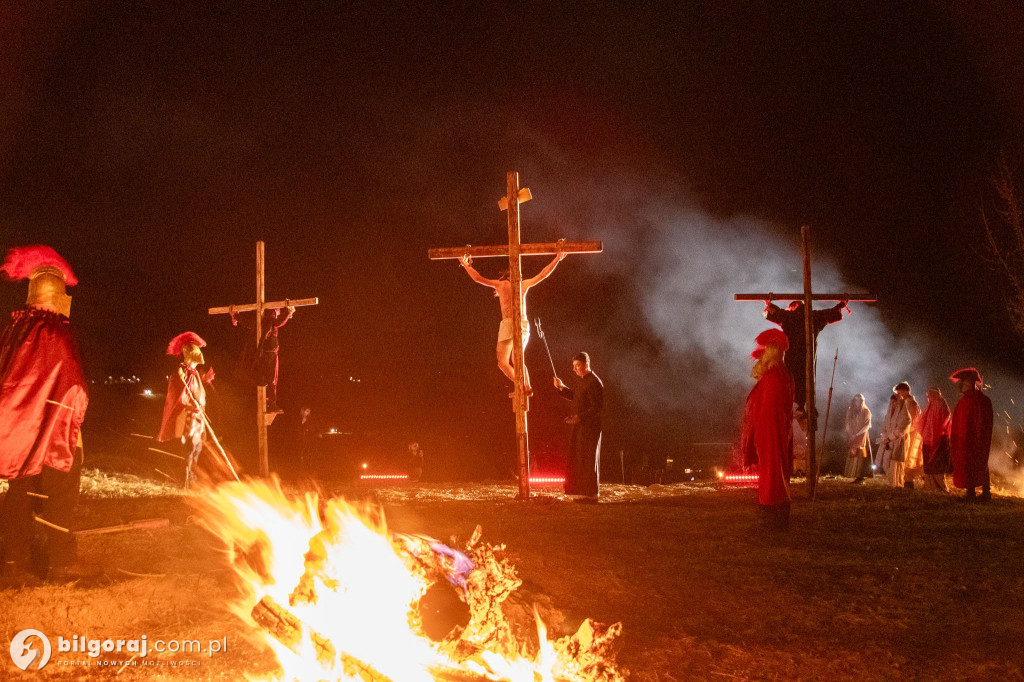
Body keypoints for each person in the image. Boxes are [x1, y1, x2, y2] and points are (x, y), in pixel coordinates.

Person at [0, 245, 93, 585]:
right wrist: (77, 413)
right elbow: (72, 383)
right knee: (61, 490)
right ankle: (61, 565)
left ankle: (14, 562)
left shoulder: (15, 329)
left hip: (13, 430)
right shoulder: (55, 329)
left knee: (19, 491)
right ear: (57, 294)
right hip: (52, 427)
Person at [460, 246, 566, 396]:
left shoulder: (501, 284)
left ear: (504, 276)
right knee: (517, 359)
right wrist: (557, 259)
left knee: (502, 362)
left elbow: (478, 278)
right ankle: (526, 386)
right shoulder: (523, 285)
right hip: (523, 323)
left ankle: (522, 384)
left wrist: (466, 265)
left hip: (509, 322)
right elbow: (543, 274)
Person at [740, 329, 794, 531]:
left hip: (770, 433)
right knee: (775, 472)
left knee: (772, 474)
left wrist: (760, 438)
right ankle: (776, 514)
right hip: (774, 432)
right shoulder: (781, 375)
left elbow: (767, 410)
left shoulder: (773, 378)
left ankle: (773, 515)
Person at [763, 298, 848, 418]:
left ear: (794, 306)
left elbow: (777, 313)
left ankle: (795, 405)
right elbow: (830, 313)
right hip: (808, 357)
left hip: (792, 356)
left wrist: (769, 304)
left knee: (792, 380)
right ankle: (804, 406)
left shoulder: (790, 317)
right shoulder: (814, 316)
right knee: (807, 380)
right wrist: (841, 305)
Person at [158, 332, 214, 489]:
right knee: (190, 449)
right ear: (190, 358)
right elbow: (180, 396)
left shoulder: (193, 373)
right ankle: (186, 482)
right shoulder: (182, 373)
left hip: (197, 418)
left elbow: (197, 392)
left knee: (197, 448)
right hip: (188, 419)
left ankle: (192, 480)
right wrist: (191, 405)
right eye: (195, 361)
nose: (197, 364)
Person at [553, 352, 603, 500]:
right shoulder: (582, 380)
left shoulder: (594, 382)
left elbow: (596, 408)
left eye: (577, 366)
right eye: (573, 366)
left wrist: (579, 417)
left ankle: (589, 493)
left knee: (587, 459)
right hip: (580, 426)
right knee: (578, 458)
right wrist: (562, 387)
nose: (574, 369)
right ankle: (579, 492)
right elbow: (577, 397)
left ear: (586, 365)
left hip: (589, 427)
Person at [231, 305, 295, 412]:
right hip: (270, 354)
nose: (278, 313)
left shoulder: (260, 321)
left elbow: (248, 323)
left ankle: (266, 403)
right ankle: (271, 404)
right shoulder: (270, 320)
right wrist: (288, 312)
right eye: (278, 311)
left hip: (261, 354)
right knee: (271, 379)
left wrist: (237, 316)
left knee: (264, 379)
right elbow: (278, 322)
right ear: (274, 312)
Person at [949, 368, 993, 501]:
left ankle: (986, 492)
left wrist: (979, 438)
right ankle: (971, 492)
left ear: (969, 384)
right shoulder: (964, 401)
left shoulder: (981, 400)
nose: (960, 386)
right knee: (967, 465)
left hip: (975, 439)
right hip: (964, 439)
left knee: (980, 464)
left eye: (963, 383)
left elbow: (982, 421)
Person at [875, 382, 921, 488]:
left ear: (906, 391)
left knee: (904, 461)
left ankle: (906, 481)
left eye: (900, 392)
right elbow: (887, 423)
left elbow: (911, 422)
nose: (899, 394)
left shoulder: (911, 404)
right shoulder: (899, 404)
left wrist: (898, 434)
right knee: (893, 461)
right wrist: (888, 436)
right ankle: (900, 481)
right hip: (896, 436)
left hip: (907, 435)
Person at [917, 387, 952, 491]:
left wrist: (936, 432)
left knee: (937, 465)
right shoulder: (929, 406)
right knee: (928, 464)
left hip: (939, 439)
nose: (928, 397)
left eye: (930, 395)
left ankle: (940, 487)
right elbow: (924, 420)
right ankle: (930, 486)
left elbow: (945, 418)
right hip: (928, 440)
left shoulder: (941, 403)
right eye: (927, 396)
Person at [844, 394, 872, 483]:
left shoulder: (866, 411)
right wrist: (850, 434)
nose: (858, 402)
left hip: (862, 436)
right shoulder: (850, 410)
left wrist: (857, 434)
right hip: (852, 435)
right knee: (853, 453)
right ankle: (853, 474)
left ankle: (860, 476)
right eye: (856, 400)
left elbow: (867, 425)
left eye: (860, 401)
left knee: (861, 455)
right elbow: (847, 423)